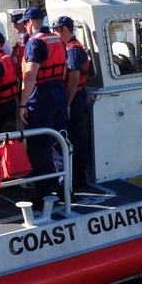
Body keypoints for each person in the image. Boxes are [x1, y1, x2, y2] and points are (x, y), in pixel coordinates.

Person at [18, 7, 67, 198]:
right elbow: (63, 71)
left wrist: (22, 105)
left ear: (30, 22)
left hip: (42, 98)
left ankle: (45, 193)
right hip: (59, 94)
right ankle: (65, 187)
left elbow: (29, 76)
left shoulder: (35, 43)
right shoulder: (58, 40)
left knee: (40, 147)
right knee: (60, 143)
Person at [53, 16, 91, 188]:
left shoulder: (73, 51)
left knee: (75, 137)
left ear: (64, 30)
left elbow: (74, 80)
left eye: (56, 30)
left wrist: (67, 103)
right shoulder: (70, 48)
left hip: (75, 98)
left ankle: (78, 176)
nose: (55, 33)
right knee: (73, 136)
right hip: (75, 96)